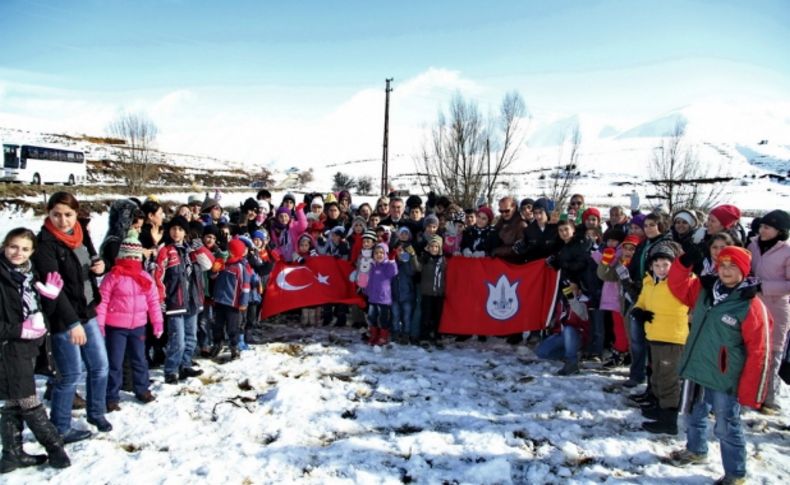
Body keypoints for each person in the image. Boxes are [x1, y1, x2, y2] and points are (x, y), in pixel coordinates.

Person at [666, 245, 772, 484]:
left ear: (744, 270)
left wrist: (751, 392)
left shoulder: (751, 305)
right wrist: (684, 263)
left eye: (732, 266)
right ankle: (696, 450)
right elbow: (677, 286)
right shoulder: (705, 291)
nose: (725, 271)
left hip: (725, 378)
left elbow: (760, 352)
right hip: (697, 368)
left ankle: (735, 473)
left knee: (726, 425)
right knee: (693, 414)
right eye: (722, 265)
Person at [33, 192, 111, 442]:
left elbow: (90, 259)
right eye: (56, 214)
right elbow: (53, 290)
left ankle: (96, 412)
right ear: (48, 213)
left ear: (76, 214)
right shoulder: (44, 244)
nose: (63, 220)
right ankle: (61, 427)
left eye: (68, 214)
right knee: (70, 374)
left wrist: (100, 266)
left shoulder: (80, 233)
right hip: (64, 318)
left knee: (100, 367)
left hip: (87, 309)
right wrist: (72, 323)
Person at [0, 228, 70, 471]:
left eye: (25, 248)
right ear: (4, 246)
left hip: (29, 347)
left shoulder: (30, 276)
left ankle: (11, 453)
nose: (18, 253)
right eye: (13, 246)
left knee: (11, 402)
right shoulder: (2, 276)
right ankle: (55, 447)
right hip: (9, 349)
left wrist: (49, 298)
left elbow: (42, 315)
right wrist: (19, 330)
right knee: (28, 400)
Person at [95, 230, 164, 409]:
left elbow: (153, 302)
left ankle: (142, 389)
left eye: (135, 257)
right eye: (128, 257)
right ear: (121, 257)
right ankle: (111, 396)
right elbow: (102, 302)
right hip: (116, 327)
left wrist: (157, 323)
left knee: (140, 359)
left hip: (138, 326)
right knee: (115, 362)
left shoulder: (144, 277)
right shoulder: (113, 277)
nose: (132, 261)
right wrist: (99, 324)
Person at [630, 243, 688, 435]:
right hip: (654, 335)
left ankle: (669, 418)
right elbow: (642, 300)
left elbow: (690, 281)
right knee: (656, 374)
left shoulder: (679, 282)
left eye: (666, 265)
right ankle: (658, 405)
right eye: (657, 265)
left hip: (672, 337)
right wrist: (639, 310)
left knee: (668, 378)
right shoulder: (650, 282)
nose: (661, 269)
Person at [155, 216, 211, 384]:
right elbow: (158, 276)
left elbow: (208, 265)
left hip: (192, 299)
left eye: (180, 229)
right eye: (173, 229)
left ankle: (185, 365)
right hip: (175, 301)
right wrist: (161, 298)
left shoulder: (191, 250)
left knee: (190, 337)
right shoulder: (165, 250)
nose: (176, 232)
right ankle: (171, 369)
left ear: (185, 232)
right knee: (177, 339)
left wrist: (199, 249)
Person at [746, 209, 790, 414]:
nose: (762, 230)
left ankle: (770, 398)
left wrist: (763, 286)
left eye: (767, 227)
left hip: (776, 306)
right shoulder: (753, 244)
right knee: (753, 349)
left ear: (779, 231)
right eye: (762, 226)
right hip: (753, 304)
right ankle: (752, 392)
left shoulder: (787, 251)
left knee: (773, 351)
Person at [210, 239, 251, 360]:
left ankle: (234, 346)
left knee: (233, 327)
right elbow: (213, 278)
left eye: (231, 251)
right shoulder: (223, 263)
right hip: (219, 300)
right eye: (228, 250)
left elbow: (245, 286)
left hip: (233, 304)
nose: (229, 253)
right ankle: (218, 343)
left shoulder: (241, 267)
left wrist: (243, 302)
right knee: (217, 326)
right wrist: (214, 271)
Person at [365, 243, 398, 346]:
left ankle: (383, 336)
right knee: (372, 318)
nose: (379, 255)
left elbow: (394, 272)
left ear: (385, 254)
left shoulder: (387, 266)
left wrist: (392, 260)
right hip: (373, 298)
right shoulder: (373, 266)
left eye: (381, 253)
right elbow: (369, 281)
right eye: (376, 253)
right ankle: (374, 335)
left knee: (383, 319)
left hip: (384, 299)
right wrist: (366, 292)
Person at [419, 235, 447, 347]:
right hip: (427, 292)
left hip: (439, 293)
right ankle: (424, 336)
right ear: (428, 247)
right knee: (426, 315)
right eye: (432, 246)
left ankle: (437, 335)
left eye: (436, 247)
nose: (434, 249)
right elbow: (417, 267)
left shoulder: (444, 260)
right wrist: (413, 257)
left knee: (438, 316)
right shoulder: (424, 258)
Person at [489, 196, 528, 264]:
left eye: (507, 211)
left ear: (514, 207)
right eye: (501, 211)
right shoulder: (500, 222)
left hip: (513, 265)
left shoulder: (521, 225)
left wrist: (497, 251)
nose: (504, 214)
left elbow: (518, 249)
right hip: (499, 263)